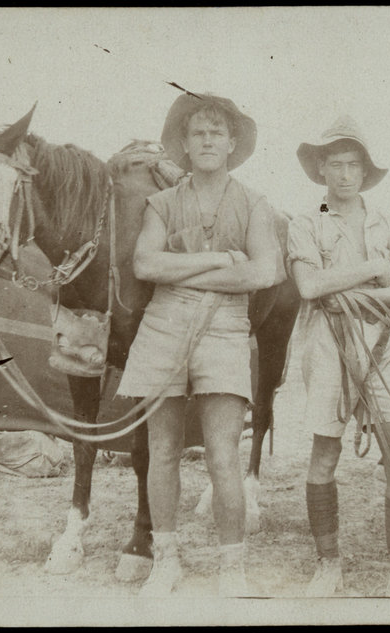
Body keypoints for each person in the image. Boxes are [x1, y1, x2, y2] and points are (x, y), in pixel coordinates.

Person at [118, 92, 286, 597]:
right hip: (164, 324)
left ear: (232, 144)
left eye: (218, 132)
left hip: (226, 327)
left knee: (222, 454)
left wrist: (189, 272)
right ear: (185, 146)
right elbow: (146, 265)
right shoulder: (162, 203)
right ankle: (165, 561)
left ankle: (231, 567)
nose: (208, 140)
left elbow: (267, 270)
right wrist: (217, 262)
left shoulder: (254, 203)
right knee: (162, 448)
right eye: (198, 133)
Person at [287, 116, 390, 596]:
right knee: (324, 454)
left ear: (364, 171)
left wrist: (364, 296)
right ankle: (327, 565)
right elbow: (310, 287)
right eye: (336, 164)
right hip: (328, 347)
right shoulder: (307, 224)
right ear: (322, 170)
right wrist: (372, 269)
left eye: (353, 165)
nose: (345, 174)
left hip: (386, 347)